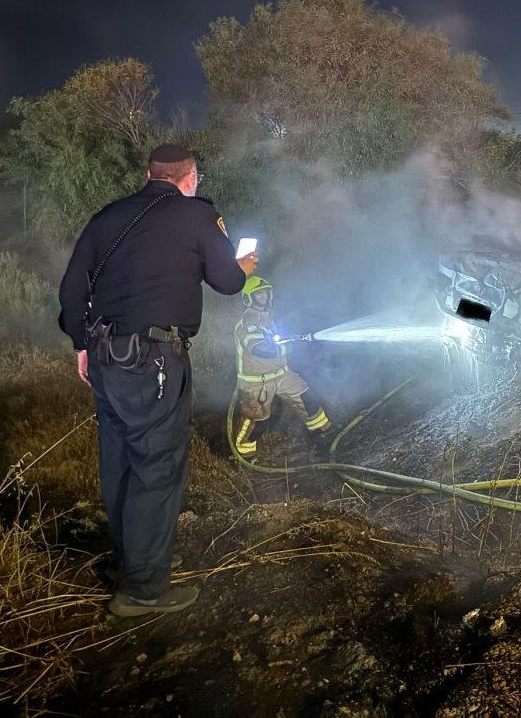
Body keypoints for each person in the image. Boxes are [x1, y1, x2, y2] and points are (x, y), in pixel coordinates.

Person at [58, 143, 258, 617]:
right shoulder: (196, 216)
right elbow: (228, 282)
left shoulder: (109, 216)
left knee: (121, 460)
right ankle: (144, 588)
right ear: (190, 179)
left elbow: (72, 285)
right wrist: (246, 266)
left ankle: (133, 561)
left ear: (151, 174)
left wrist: (81, 345)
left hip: (106, 358)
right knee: (157, 466)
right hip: (154, 361)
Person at [232, 275, 330, 457]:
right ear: (249, 298)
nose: (264, 297)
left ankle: (321, 436)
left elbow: (274, 338)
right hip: (257, 383)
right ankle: (243, 456)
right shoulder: (250, 321)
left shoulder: (267, 317)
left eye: (265, 293)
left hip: (281, 375)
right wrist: (285, 349)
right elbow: (260, 349)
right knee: (258, 423)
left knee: (308, 399)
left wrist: (290, 338)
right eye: (259, 294)